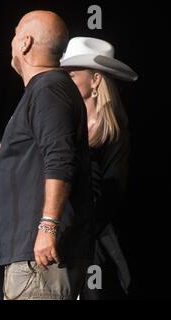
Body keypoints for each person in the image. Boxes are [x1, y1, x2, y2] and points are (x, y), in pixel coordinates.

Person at [0, 10, 93, 300]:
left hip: (40, 259)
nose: (12, 40)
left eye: (15, 32)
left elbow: (60, 157)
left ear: (25, 42)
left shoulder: (49, 88)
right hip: (32, 259)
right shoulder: (46, 90)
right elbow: (19, 151)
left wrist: (48, 226)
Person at [61, 37, 138, 299]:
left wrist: (81, 231)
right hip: (65, 233)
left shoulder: (115, 131)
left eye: (73, 75)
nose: (66, 80)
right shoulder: (65, 123)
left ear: (95, 80)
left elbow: (113, 192)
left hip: (94, 238)